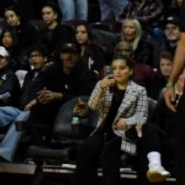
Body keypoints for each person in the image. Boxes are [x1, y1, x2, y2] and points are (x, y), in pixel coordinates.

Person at [73, 55, 170, 185]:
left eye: (122, 68)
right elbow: (92, 106)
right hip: (104, 131)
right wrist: (100, 87)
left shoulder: (139, 90)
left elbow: (142, 116)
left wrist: (128, 121)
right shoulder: (105, 86)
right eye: (114, 68)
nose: (117, 72)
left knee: (109, 152)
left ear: (130, 71)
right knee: (85, 148)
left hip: (126, 134)